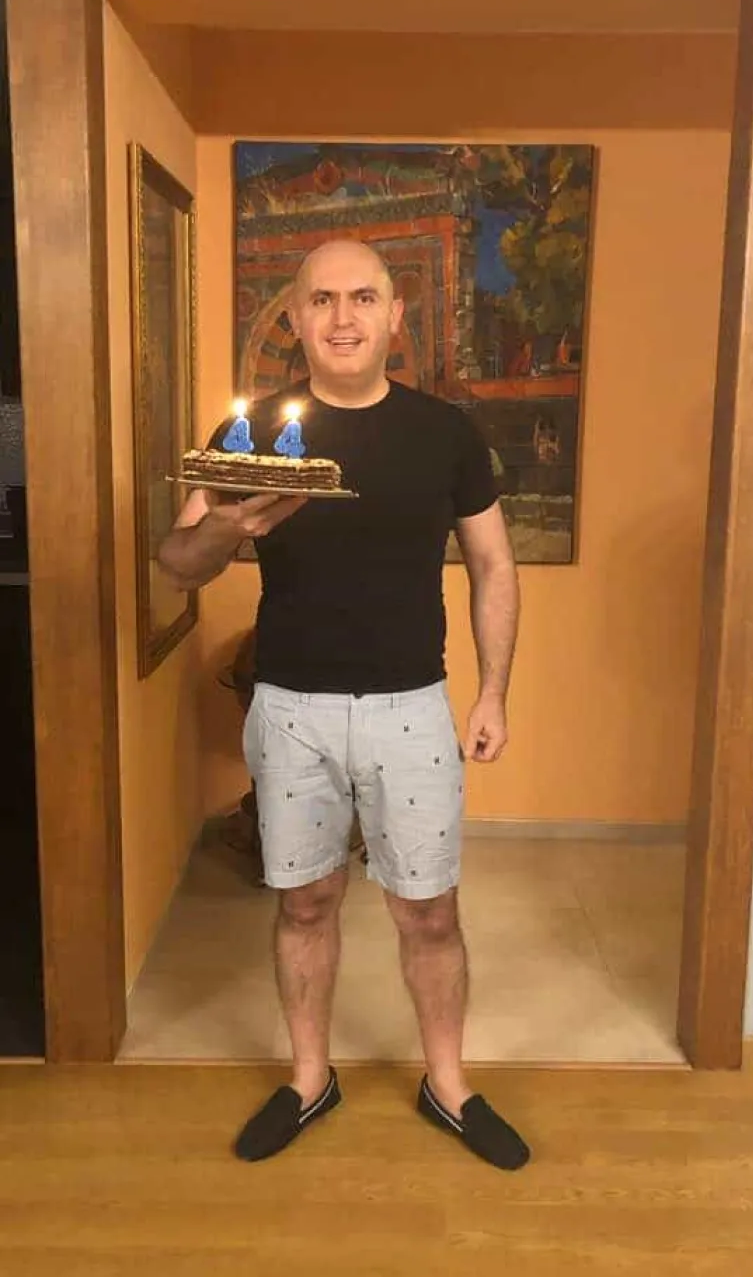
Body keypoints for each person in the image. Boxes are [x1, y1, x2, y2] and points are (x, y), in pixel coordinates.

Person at [158, 239, 530, 1172]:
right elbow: (178, 564)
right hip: (291, 709)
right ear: (295, 316)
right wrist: (229, 527)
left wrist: (493, 691)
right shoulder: (251, 432)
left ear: (396, 315)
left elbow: (493, 564)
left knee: (429, 913)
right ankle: (308, 1079)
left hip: (412, 709)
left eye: (363, 298)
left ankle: (449, 1085)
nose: (343, 317)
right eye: (321, 300)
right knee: (306, 904)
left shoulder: (445, 433)